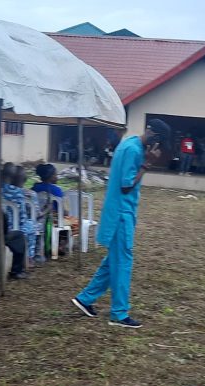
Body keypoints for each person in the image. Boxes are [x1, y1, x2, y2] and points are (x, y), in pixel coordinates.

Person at [70, 118, 170, 328]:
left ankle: (85, 299)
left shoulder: (129, 143)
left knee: (113, 261)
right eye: (160, 145)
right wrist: (147, 164)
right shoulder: (135, 151)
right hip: (121, 215)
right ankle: (119, 313)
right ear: (156, 138)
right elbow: (126, 186)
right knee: (123, 262)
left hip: (119, 211)